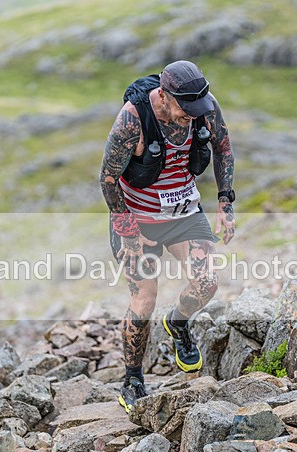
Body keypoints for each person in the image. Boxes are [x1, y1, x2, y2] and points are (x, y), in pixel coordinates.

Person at [99, 60, 236, 413]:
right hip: (137, 221)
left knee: (206, 284)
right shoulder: (133, 118)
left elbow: (222, 147)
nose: (191, 116)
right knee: (144, 300)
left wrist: (225, 201)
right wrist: (128, 232)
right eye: (184, 110)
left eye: (196, 110)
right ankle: (132, 379)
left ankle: (177, 322)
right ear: (163, 95)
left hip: (183, 213)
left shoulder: (202, 105)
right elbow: (108, 179)